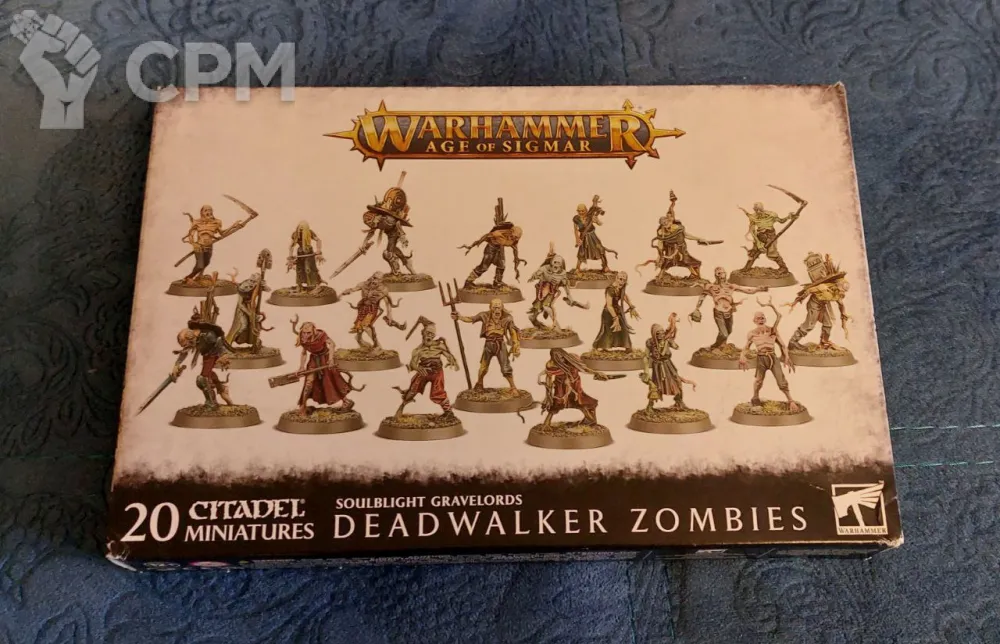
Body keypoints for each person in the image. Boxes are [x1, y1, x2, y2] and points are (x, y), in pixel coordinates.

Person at [453, 298, 521, 391]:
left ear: (502, 307)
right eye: (494, 307)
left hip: (500, 345)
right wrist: (459, 317)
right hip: (488, 345)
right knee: (483, 367)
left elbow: (513, 332)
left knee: (505, 367)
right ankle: (479, 384)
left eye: (499, 307)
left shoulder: (508, 318)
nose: (497, 310)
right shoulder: (484, 315)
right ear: (490, 308)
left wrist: (516, 344)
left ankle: (513, 387)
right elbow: (471, 319)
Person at [592, 271, 639, 351]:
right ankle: (603, 347)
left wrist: (631, 306)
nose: (622, 282)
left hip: (617, 311)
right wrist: (615, 318)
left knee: (623, 329)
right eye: (620, 279)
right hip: (608, 312)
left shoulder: (621, 287)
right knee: (608, 331)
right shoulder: (610, 289)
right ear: (616, 278)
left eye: (624, 280)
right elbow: (609, 306)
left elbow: (624, 296)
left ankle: (627, 347)